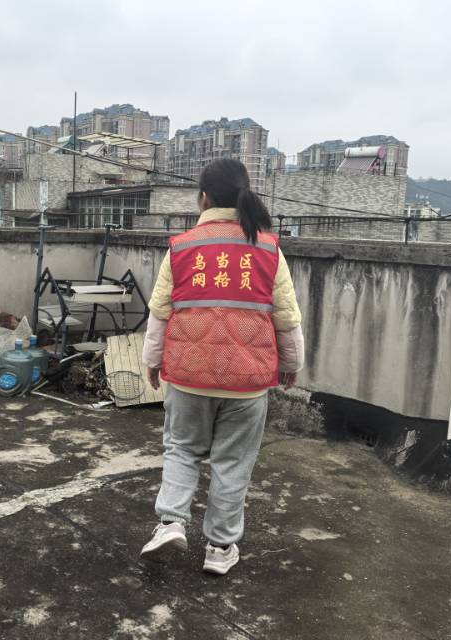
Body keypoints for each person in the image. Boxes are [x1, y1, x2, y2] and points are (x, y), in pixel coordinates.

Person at [140, 158, 304, 575]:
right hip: (247, 383)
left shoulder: (182, 247)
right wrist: (291, 363)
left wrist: (152, 361)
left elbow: (160, 313)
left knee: (181, 448)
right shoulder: (267, 248)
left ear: (204, 199)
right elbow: (287, 317)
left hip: (188, 376)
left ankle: (171, 523)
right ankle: (219, 548)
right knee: (233, 464)